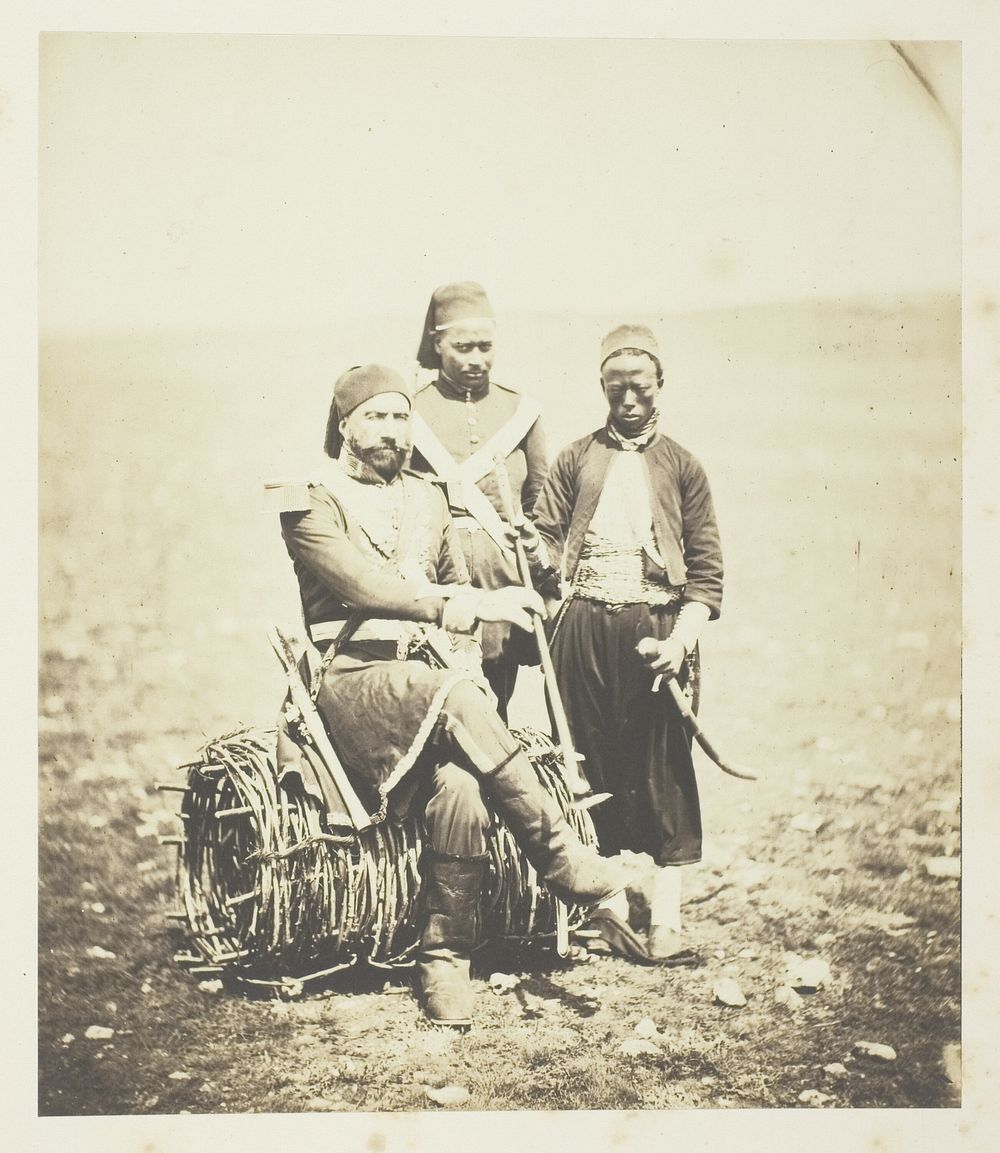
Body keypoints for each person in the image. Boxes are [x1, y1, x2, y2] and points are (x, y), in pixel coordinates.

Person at [272, 363, 627, 1027]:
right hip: (350, 684)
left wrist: (483, 615)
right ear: (343, 424)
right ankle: (558, 856)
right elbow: (365, 588)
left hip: (427, 689)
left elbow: (456, 581)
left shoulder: (429, 497)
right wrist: (464, 607)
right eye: (374, 416)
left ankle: (443, 959)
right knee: (455, 695)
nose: (390, 430)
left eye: (401, 416)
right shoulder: (311, 500)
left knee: (461, 787)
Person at [530, 325, 724, 963]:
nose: (629, 400)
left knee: (662, 769)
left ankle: (666, 918)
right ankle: (606, 906)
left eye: (640, 386)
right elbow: (548, 546)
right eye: (617, 389)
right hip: (582, 628)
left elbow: (705, 572)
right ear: (603, 390)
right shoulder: (573, 458)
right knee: (585, 763)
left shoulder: (682, 466)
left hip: (657, 634)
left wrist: (681, 642)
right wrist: (535, 549)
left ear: (660, 385)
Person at [409, 281, 551, 718]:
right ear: (438, 344)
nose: (476, 359)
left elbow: (542, 503)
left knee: (497, 699)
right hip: (438, 576)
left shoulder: (520, 411)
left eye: (485, 347)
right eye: (463, 347)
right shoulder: (410, 411)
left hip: (504, 576)